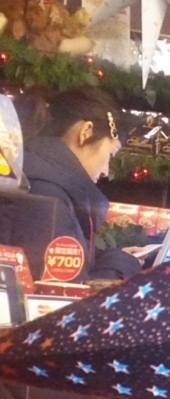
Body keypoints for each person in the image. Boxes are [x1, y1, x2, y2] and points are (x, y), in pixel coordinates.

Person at [21, 88, 142, 281]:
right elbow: (65, 293)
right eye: (110, 155)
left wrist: (114, 258)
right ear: (86, 132)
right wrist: (122, 265)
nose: (105, 171)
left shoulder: (37, 181)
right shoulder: (48, 200)